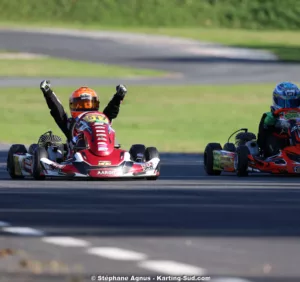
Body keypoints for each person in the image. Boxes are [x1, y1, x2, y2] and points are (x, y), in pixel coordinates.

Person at [39, 80, 127, 158]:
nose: (86, 108)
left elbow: (111, 110)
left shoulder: (102, 119)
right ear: (73, 106)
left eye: (89, 104)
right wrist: (48, 93)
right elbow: (57, 111)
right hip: (77, 156)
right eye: (81, 105)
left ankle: (110, 154)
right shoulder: (70, 123)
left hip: (106, 152)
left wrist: (119, 96)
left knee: (137, 150)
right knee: (45, 151)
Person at [257, 82, 300, 158]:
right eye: (283, 102)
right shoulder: (270, 116)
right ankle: (277, 157)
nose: (288, 107)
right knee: (273, 139)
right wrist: (277, 121)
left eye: (293, 102)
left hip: (294, 145)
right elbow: (267, 123)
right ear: (276, 100)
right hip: (279, 144)